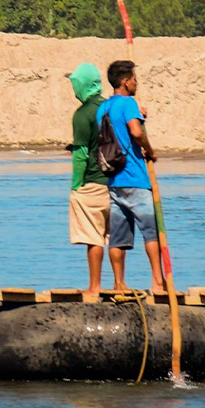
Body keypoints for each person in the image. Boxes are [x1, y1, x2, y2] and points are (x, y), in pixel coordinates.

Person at [95, 60, 164, 294]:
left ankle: (118, 283)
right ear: (125, 82)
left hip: (114, 180)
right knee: (151, 232)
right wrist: (150, 150)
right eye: (134, 79)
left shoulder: (103, 108)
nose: (137, 83)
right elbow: (135, 132)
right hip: (135, 178)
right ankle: (158, 283)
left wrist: (139, 116)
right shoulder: (128, 103)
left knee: (117, 237)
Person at [67, 63, 110, 297]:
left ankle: (94, 287)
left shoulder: (83, 114)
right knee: (114, 238)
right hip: (116, 182)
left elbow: (81, 154)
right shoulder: (110, 107)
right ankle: (120, 283)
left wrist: (76, 185)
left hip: (93, 182)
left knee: (94, 238)